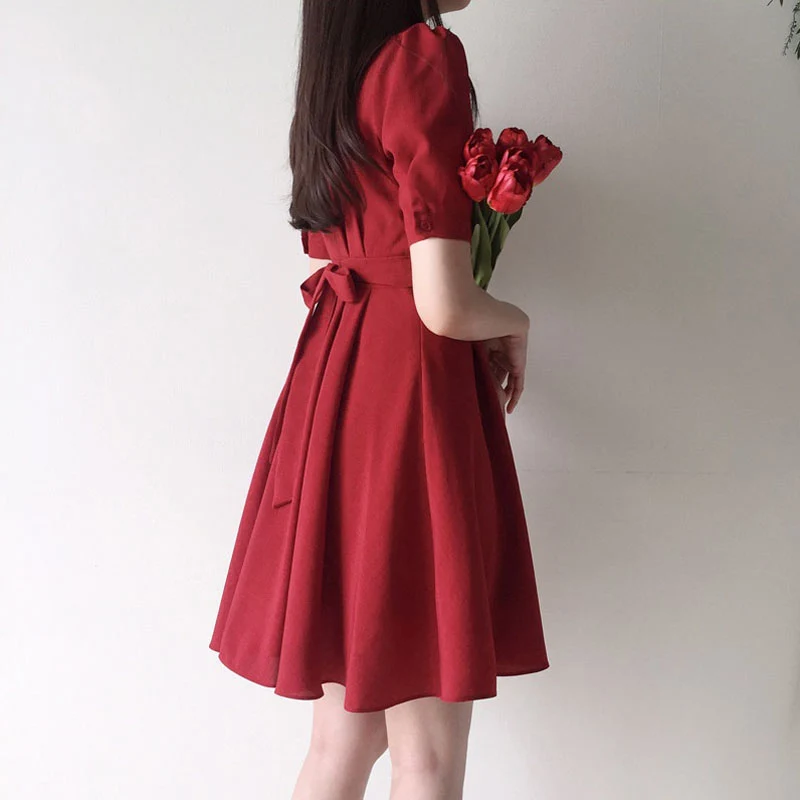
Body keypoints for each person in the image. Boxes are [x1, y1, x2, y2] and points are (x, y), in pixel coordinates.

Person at [208, 1, 549, 797]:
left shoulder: (339, 70)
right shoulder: (422, 58)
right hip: (410, 394)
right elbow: (444, 303)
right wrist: (515, 320)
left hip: (338, 381)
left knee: (342, 740)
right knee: (425, 755)